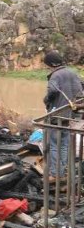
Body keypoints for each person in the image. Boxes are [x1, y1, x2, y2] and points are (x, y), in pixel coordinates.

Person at [43, 50, 83, 180]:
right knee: (64, 144)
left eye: (47, 64)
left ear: (51, 63)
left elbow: (53, 90)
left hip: (57, 114)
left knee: (54, 144)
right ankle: (63, 170)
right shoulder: (73, 73)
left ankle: (55, 174)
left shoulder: (56, 75)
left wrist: (46, 99)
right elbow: (81, 91)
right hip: (69, 114)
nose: (47, 67)